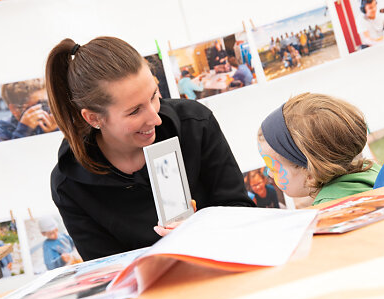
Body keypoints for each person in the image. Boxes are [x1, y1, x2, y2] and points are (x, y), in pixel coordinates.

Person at [46, 36, 254, 261]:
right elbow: (105, 272)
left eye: (154, 95)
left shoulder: (195, 124)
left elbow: (242, 211)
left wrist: (202, 228)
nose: (155, 118)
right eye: (135, 111)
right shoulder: (70, 185)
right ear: (94, 118)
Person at [257, 92, 381, 206]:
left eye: (274, 169)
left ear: (310, 174)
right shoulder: (371, 169)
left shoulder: (330, 210)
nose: (269, 174)